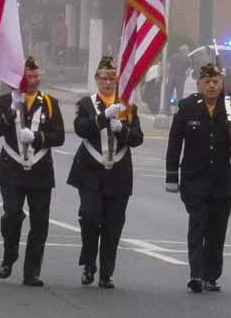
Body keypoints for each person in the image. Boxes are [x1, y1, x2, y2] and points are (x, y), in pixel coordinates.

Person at [166, 62, 231, 293]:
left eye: (216, 81)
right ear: (199, 83)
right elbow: (175, 142)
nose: (212, 85)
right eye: (207, 81)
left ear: (222, 83)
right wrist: (171, 175)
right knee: (198, 226)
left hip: (222, 181)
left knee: (217, 230)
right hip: (194, 179)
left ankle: (211, 275)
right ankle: (195, 274)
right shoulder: (187, 107)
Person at [69, 56, 143, 289]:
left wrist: (122, 128)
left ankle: (106, 273)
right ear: (96, 79)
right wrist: (102, 117)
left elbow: (137, 138)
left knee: (113, 224)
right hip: (90, 171)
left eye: (112, 78)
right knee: (90, 217)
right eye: (104, 78)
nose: (108, 82)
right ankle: (89, 263)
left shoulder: (127, 106)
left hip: (118, 173)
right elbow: (80, 129)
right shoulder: (86, 104)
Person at [0, 56, 64, 287]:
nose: (33, 80)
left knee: (40, 223)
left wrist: (39, 137)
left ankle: (31, 271)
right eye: (29, 76)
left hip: (40, 170)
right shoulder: (6, 101)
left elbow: (59, 136)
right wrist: (11, 110)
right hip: (12, 169)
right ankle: (9, 255)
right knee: (12, 216)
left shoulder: (50, 103)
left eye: (36, 76)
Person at [165, 44, 191, 113]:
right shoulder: (187, 58)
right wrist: (185, 77)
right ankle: (179, 111)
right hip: (180, 77)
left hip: (171, 77)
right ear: (185, 51)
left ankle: (167, 110)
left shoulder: (173, 56)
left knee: (169, 93)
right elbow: (189, 69)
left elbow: (168, 66)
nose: (188, 52)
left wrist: (168, 75)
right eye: (188, 51)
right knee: (179, 95)